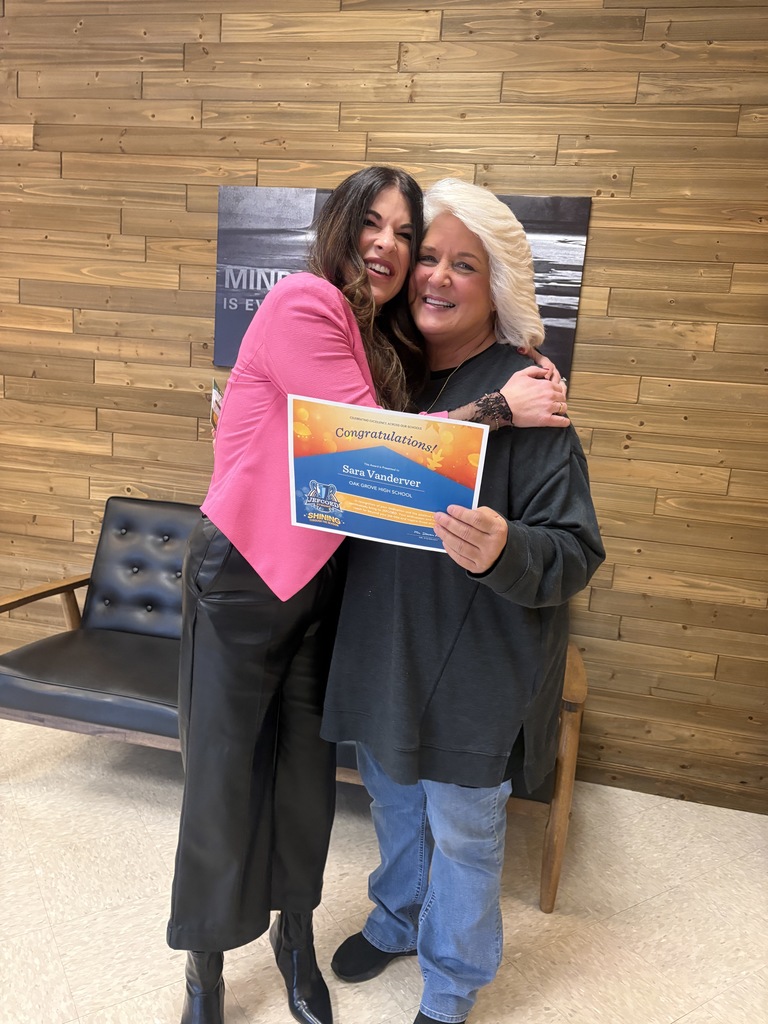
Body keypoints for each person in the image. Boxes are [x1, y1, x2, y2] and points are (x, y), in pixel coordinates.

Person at [166, 166, 570, 1024]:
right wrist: (500, 404)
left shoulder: (409, 351)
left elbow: (561, 544)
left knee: (312, 790)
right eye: (379, 228)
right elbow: (360, 453)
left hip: (335, 604)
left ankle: (312, 949)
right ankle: (205, 971)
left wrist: (505, 519)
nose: (398, 253)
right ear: (341, 226)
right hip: (251, 584)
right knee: (224, 786)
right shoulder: (315, 309)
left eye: (414, 238)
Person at [322, 178, 606, 1024]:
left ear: (499, 287)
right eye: (429, 258)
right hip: (381, 646)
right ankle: (397, 917)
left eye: (465, 266)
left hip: (475, 668)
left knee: (468, 837)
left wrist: (507, 548)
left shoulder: (533, 397)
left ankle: (450, 988)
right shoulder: (380, 371)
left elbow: (577, 550)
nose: (437, 278)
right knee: (391, 804)